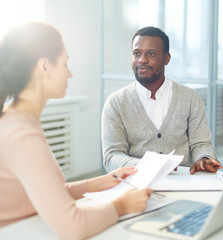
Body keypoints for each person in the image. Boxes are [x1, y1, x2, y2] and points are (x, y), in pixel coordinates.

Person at [0, 22, 152, 239]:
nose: (69, 74)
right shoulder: (21, 134)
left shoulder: (16, 120)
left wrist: (103, 181)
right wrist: (122, 205)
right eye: (64, 64)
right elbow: (74, 227)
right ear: (44, 67)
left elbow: (47, 192)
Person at [102, 26, 222, 175]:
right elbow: (112, 157)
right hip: (135, 187)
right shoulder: (116, 103)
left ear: (166, 58)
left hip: (182, 185)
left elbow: (201, 143)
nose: (142, 60)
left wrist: (204, 158)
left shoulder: (190, 97)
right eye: (136, 53)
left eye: (151, 54)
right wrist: (152, 165)